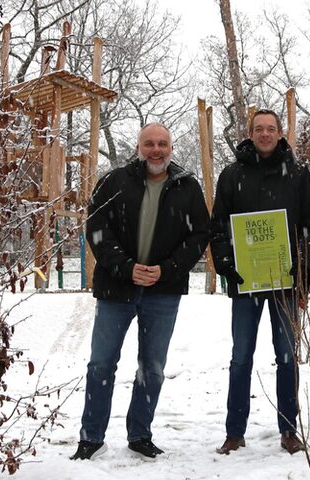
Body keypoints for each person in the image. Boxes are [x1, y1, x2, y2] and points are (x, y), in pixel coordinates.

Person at [70, 123, 210, 461]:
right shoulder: (114, 182)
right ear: (138, 147)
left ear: (171, 148)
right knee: (101, 365)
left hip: (163, 290)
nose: (156, 150)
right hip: (117, 287)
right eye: (149, 143)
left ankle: (140, 434)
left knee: (153, 367)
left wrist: (167, 270)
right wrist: (126, 267)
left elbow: (199, 236)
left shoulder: (187, 186)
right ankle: (91, 437)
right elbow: (98, 228)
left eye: (163, 143)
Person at [210, 109, 310, 455]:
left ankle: (289, 430)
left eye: (271, 128)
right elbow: (218, 227)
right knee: (241, 356)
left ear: (280, 132)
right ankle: (234, 431)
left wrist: (303, 272)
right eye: (259, 129)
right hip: (246, 283)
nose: (265, 134)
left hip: (286, 282)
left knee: (288, 357)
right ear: (250, 133)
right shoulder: (231, 175)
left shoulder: (298, 175)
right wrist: (227, 265)